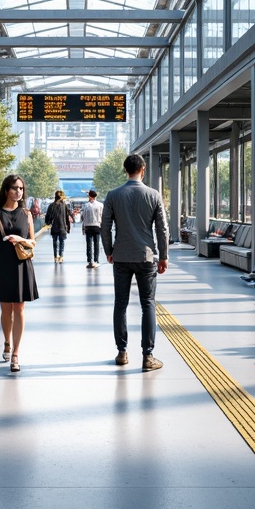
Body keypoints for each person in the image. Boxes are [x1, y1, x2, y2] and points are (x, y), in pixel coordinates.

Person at [103, 153, 169, 372]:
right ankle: (147, 357)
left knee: (120, 304)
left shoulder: (113, 195)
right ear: (143, 169)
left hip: (121, 256)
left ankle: (122, 352)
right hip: (146, 256)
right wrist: (164, 255)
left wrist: (108, 251)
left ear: (125, 170)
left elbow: (105, 228)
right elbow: (162, 229)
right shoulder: (153, 195)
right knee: (147, 303)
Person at [0, 174, 38, 373]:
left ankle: (15, 354)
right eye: (15, 188)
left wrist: (19, 238)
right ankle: (7, 342)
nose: (18, 192)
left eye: (21, 188)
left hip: (21, 264)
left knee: (20, 309)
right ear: (6, 190)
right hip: (1, 264)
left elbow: (33, 242)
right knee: (6, 310)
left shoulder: (26, 214)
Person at [44, 190, 72, 263]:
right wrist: (68, 227)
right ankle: (61, 256)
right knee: (62, 242)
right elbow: (67, 217)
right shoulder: (64, 205)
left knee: (55, 242)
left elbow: (47, 216)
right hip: (62, 226)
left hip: (54, 227)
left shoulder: (51, 205)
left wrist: (47, 223)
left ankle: (55, 257)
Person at [82, 189, 104, 268]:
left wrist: (83, 227)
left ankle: (90, 261)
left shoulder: (86, 205)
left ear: (90, 196)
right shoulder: (100, 205)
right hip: (97, 226)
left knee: (89, 244)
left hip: (88, 226)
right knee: (97, 243)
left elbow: (83, 216)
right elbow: (102, 216)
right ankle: (96, 260)